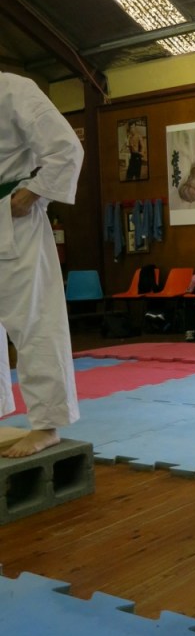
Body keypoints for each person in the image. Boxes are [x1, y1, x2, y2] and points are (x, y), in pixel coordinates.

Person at [0, 71, 84, 458]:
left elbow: (66, 148)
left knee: (34, 320)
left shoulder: (14, 89)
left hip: (15, 219)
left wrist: (33, 193)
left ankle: (46, 424)